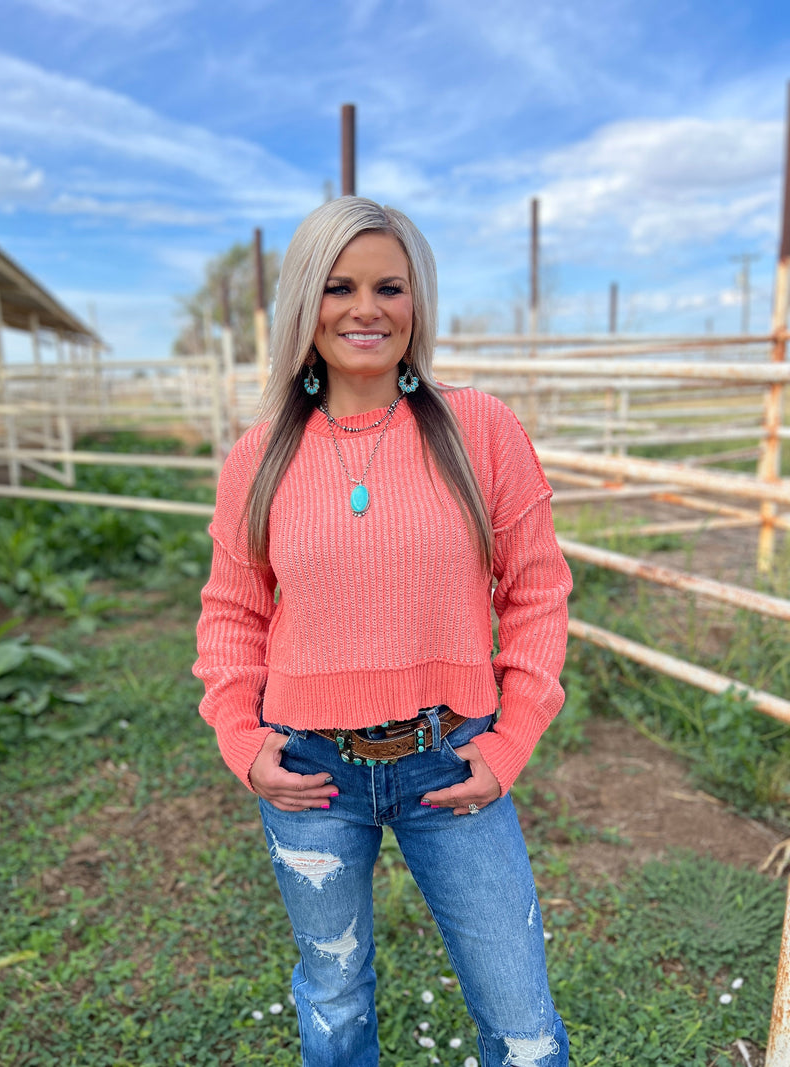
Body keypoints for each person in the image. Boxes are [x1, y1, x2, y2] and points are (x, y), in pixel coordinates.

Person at [193, 196, 573, 1067]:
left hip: (455, 761)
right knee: (333, 1000)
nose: (365, 308)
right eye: (339, 287)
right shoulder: (259, 455)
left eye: (388, 287)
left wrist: (514, 736)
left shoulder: (480, 428)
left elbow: (538, 591)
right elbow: (232, 610)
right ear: (306, 301)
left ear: (417, 300)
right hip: (310, 773)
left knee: (521, 1019)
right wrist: (241, 738)